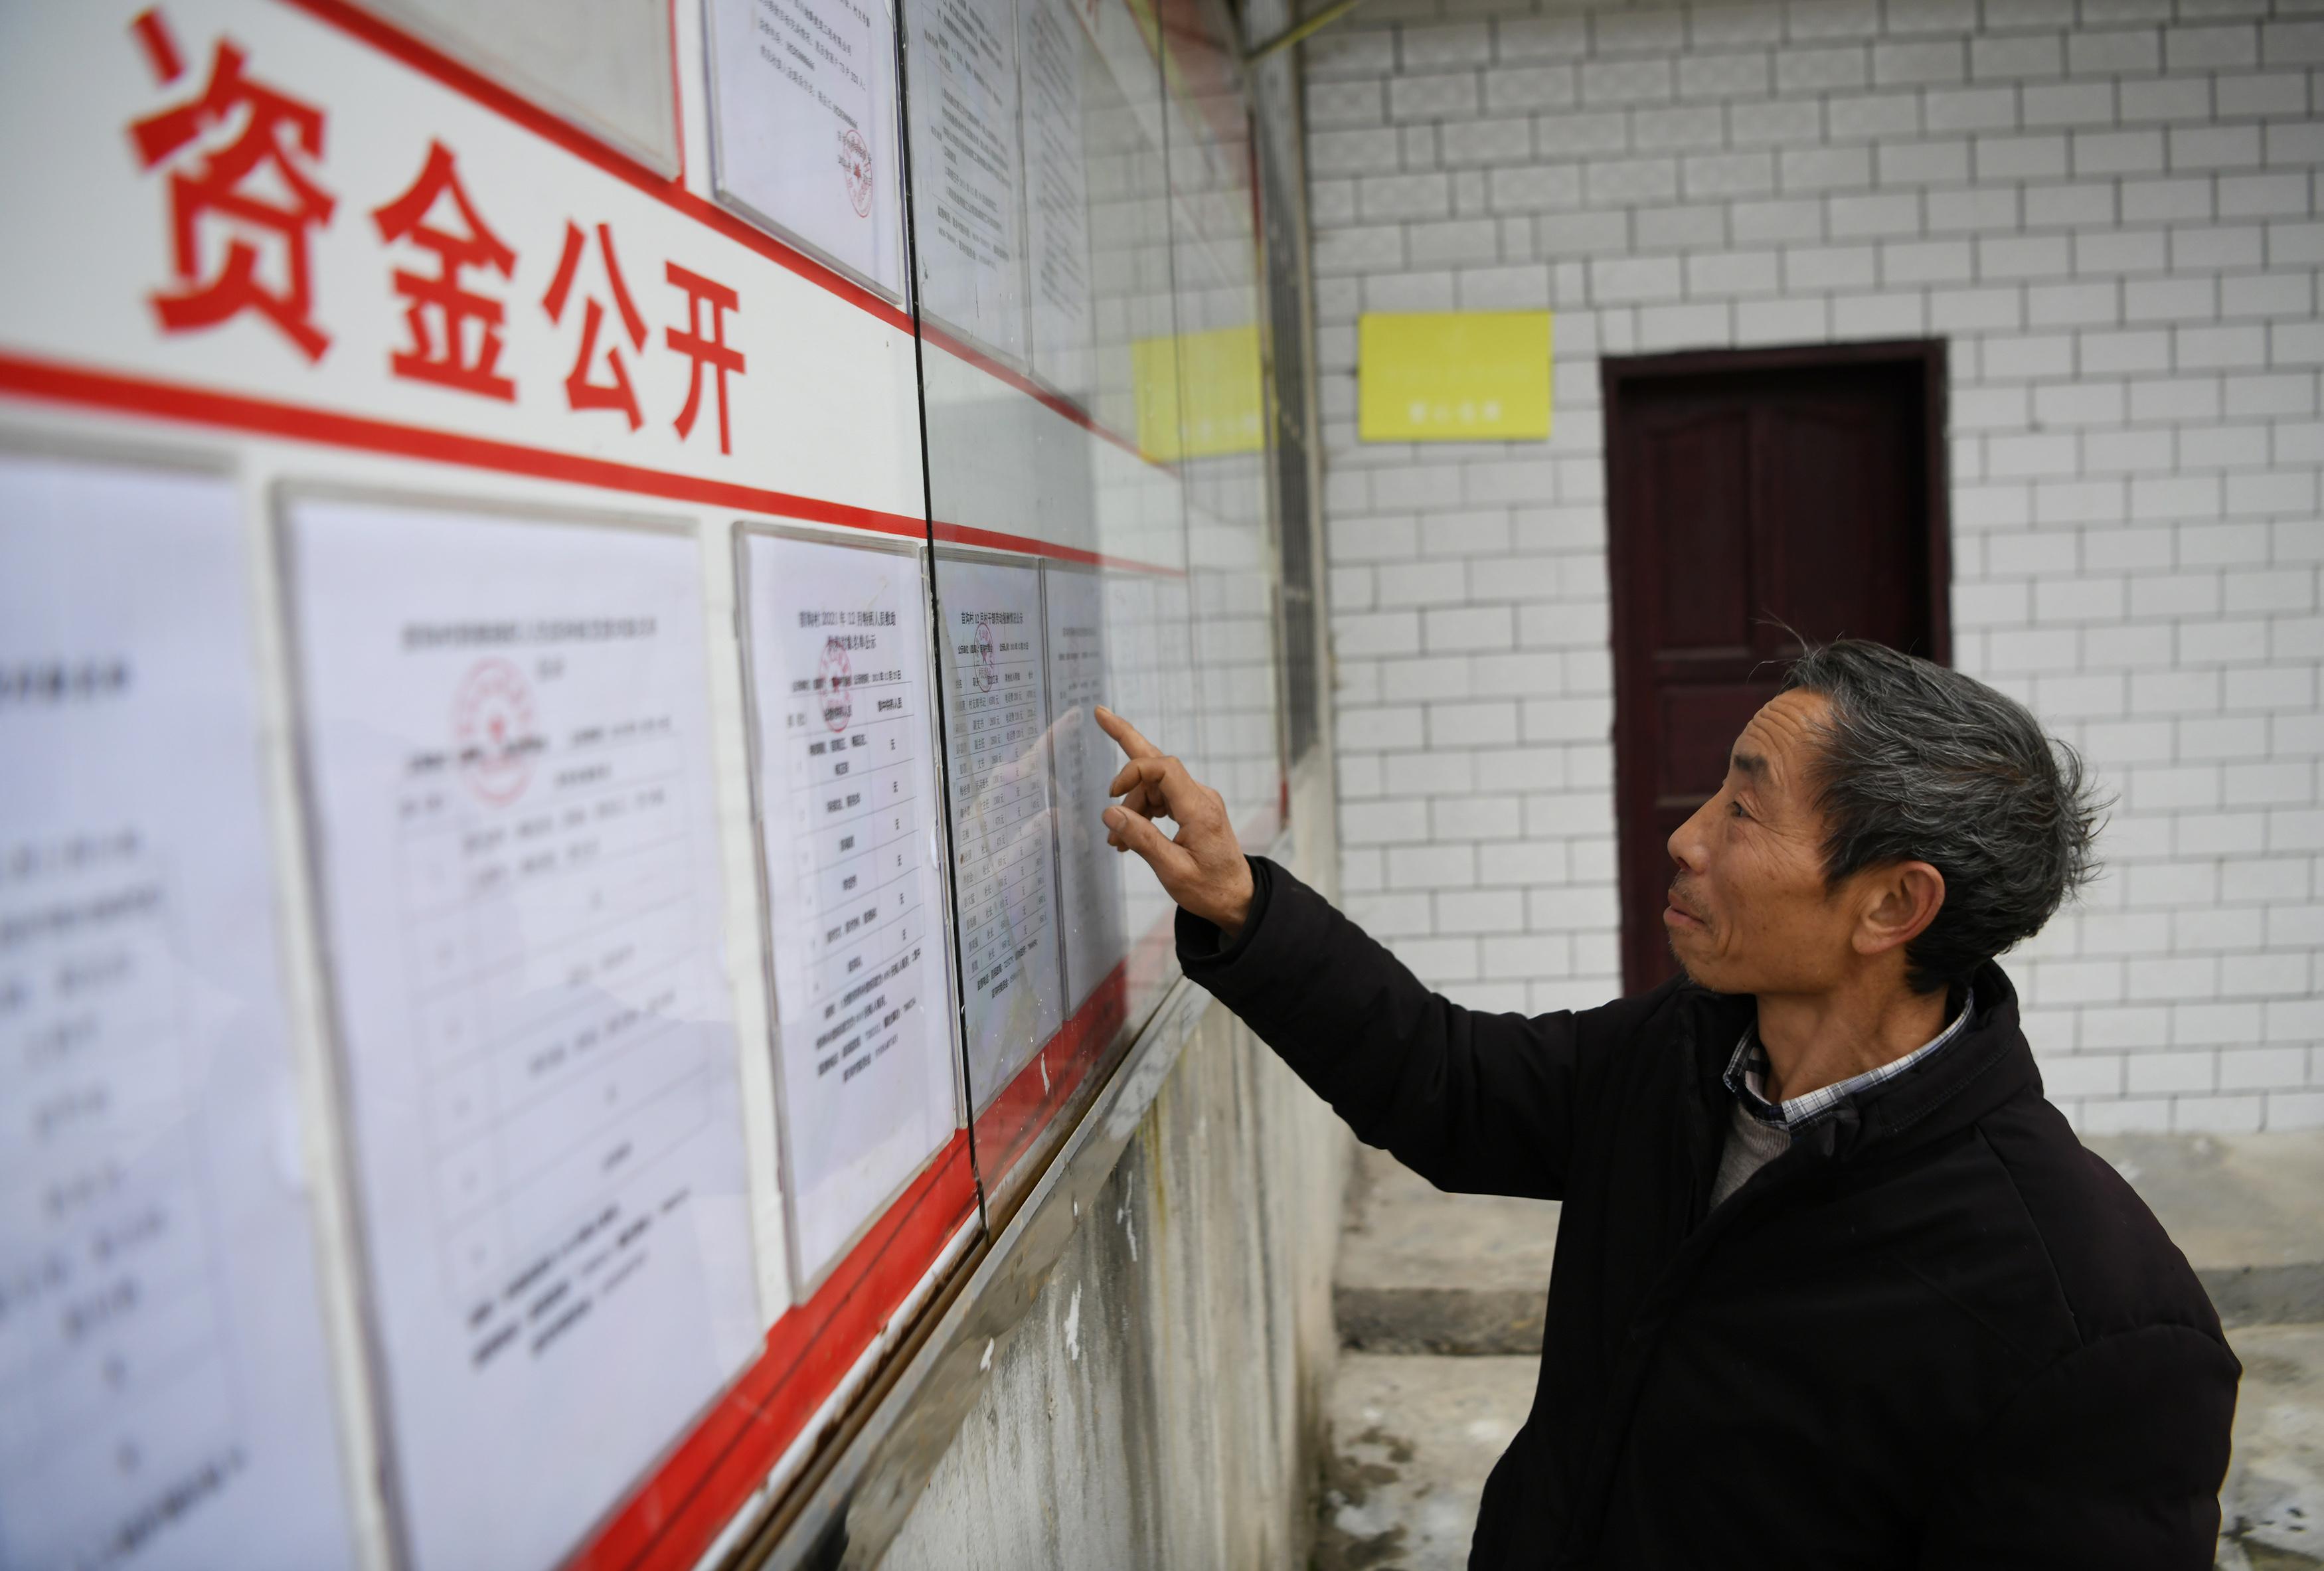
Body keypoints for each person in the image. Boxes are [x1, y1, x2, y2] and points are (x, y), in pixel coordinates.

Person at [1092, 639, 2240, 1570]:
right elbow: (1448, 1082)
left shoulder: (2091, 1322)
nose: (1686, 837)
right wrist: (1245, 909)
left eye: (1745, 811)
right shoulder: (1686, 1059)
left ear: (1894, 902)